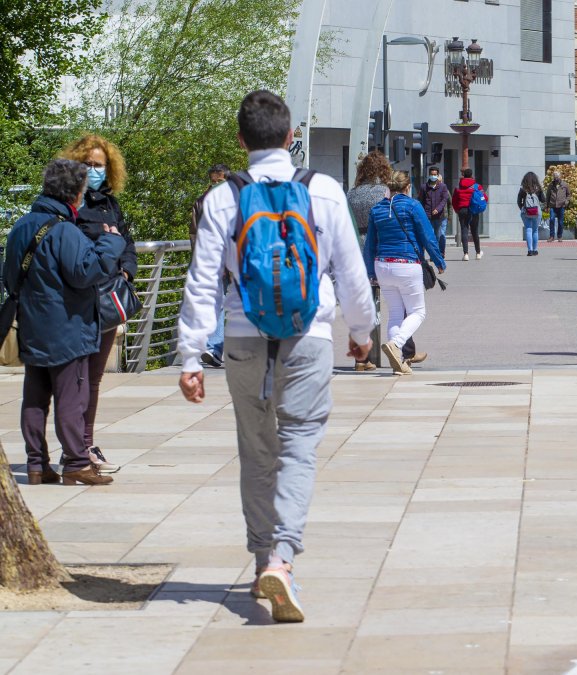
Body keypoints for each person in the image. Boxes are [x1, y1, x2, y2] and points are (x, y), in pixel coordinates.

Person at [177, 90, 376, 623]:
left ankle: (262, 556)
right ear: (291, 137)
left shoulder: (223, 198)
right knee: (299, 445)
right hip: (309, 336)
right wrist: (362, 333)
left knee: (256, 450)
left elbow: (202, 282)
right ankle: (283, 560)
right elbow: (351, 272)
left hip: (243, 337)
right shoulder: (323, 190)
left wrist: (191, 356)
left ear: (241, 140)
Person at [6, 160, 125, 486]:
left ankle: (36, 464)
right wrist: (112, 242)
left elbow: (10, 277)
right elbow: (86, 272)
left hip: (32, 326)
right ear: (74, 193)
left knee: (34, 397)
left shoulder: (21, 226)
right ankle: (76, 463)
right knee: (72, 396)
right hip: (67, 328)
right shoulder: (64, 231)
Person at [60, 134, 139, 474]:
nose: (93, 170)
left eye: (98, 165)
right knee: (74, 378)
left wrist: (127, 272)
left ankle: (87, 443)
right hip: (78, 301)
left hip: (107, 300)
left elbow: (127, 242)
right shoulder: (69, 205)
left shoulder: (111, 204)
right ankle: (73, 448)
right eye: (87, 164)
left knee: (93, 378)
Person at [364, 170, 446, 375]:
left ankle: (399, 363)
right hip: (407, 263)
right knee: (418, 312)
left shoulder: (377, 209)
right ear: (407, 187)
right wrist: (438, 261)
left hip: (382, 265)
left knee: (395, 314)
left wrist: (370, 272)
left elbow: (370, 244)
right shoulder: (413, 206)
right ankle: (396, 344)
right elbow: (427, 235)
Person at [346, 151, 395, 372]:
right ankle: (400, 349)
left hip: (355, 248)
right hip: (379, 247)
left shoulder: (352, 193)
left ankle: (361, 357)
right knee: (395, 302)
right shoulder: (385, 192)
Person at [190, 163, 230, 369]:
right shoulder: (201, 202)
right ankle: (214, 349)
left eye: (220, 181)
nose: (216, 185)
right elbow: (194, 233)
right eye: (213, 181)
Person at [452, 168, 484, 261]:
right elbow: (484, 198)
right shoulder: (477, 186)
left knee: (464, 230)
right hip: (474, 210)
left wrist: (457, 210)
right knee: (475, 231)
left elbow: (454, 200)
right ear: (471, 175)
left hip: (462, 210)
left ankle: (466, 254)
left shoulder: (458, 187)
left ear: (463, 175)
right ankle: (478, 253)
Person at [420, 166, 451, 257]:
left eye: (435, 174)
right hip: (428, 216)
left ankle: (439, 252)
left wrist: (438, 209)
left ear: (437, 175)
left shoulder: (443, 187)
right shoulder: (424, 187)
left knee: (439, 235)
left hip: (439, 216)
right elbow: (421, 200)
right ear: (429, 175)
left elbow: (444, 200)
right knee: (429, 236)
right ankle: (433, 254)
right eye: (431, 174)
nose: (433, 176)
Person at [518, 172, 546, 257]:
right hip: (537, 212)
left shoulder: (523, 189)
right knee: (535, 230)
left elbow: (518, 201)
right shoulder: (538, 188)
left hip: (526, 212)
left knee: (528, 229)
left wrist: (522, 208)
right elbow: (543, 200)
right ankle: (535, 250)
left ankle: (529, 250)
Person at [546, 170, 570, 242]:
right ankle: (551, 236)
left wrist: (566, 202)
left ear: (560, 177)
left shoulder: (565, 184)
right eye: (554, 177)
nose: (556, 178)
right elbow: (548, 196)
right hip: (552, 205)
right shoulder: (551, 185)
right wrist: (547, 206)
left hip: (561, 205)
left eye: (557, 177)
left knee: (560, 222)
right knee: (551, 220)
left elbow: (568, 195)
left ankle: (559, 236)